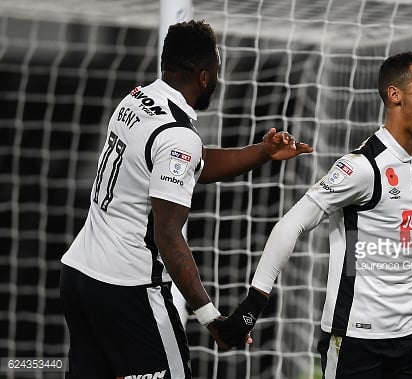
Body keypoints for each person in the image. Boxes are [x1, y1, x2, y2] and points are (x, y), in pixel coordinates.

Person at [59, 20, 312, 379]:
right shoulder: (179, 136)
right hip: (128, 288)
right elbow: (167, 234)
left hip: (80, 275)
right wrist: (211, 318)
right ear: (205, 77)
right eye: (218, 72)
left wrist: (263, 152)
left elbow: (190, 163)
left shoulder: (136, 100)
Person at [214, 51, 412, 378]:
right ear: (394, 95)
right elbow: (291, 224)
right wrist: (251, 307)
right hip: (357, 340)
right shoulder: (362, 167)